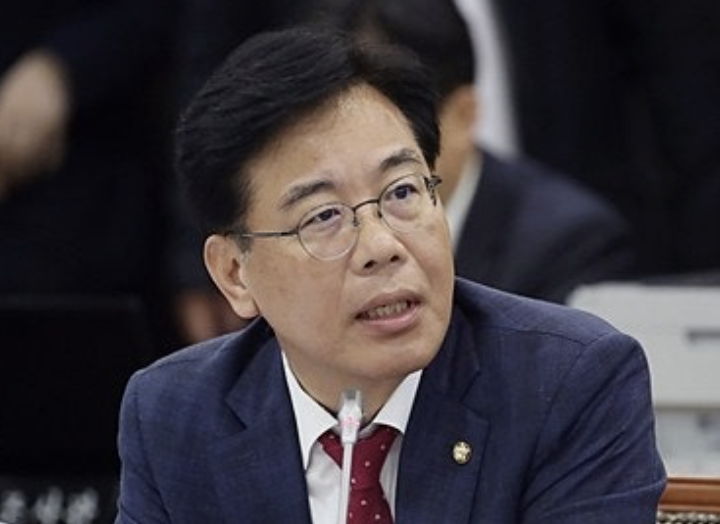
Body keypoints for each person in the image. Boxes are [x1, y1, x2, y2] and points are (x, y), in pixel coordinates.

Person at [115, 26, 666, 523]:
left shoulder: (566, 384)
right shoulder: (174, 414)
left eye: (402, 192)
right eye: (323, 217)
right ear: (235, 273)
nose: (382, 247)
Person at [329, 0, 637, 303]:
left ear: (464, 115)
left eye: (390, 126)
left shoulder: (566, 243)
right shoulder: (319, 228)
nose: (362, 153)